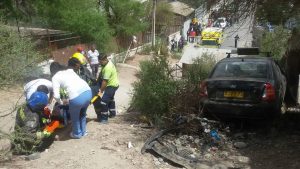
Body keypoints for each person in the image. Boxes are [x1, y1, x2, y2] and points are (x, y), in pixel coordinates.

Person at [50, 62, 92, 139]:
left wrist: (61, 103)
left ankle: (77, 134)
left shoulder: (55, 77)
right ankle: (84, 131)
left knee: (74, 116)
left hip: (77, 97)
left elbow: (56, 95)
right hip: (88, 92)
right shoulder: (70, 71)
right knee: (82, 114)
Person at [96, 55, 119, 123]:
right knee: (111, 99)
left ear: (104, 59)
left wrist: (101, 91)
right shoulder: (107, 63)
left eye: (100, 62)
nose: (100, 63)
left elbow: (104, 82)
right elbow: (101, 73)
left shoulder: (108, 68)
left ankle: (104, 119)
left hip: (111, 86)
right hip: (115, 84)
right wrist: (97, 80)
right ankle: (112, 114)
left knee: (103, 102)